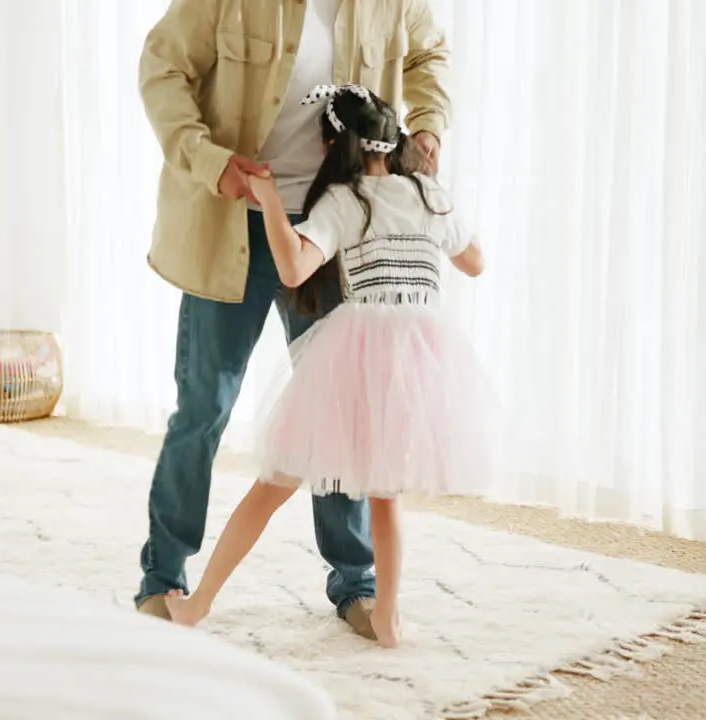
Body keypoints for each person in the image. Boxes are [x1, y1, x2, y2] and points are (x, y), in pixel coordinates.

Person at [135, 0, 452, 642]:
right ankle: (163, 577)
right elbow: (163, 68)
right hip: (232, 222)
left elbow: (428, 56)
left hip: (338, 225)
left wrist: (428, 129)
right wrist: (207, 158)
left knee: (343, 420)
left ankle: (355, 585)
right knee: (203, 408)